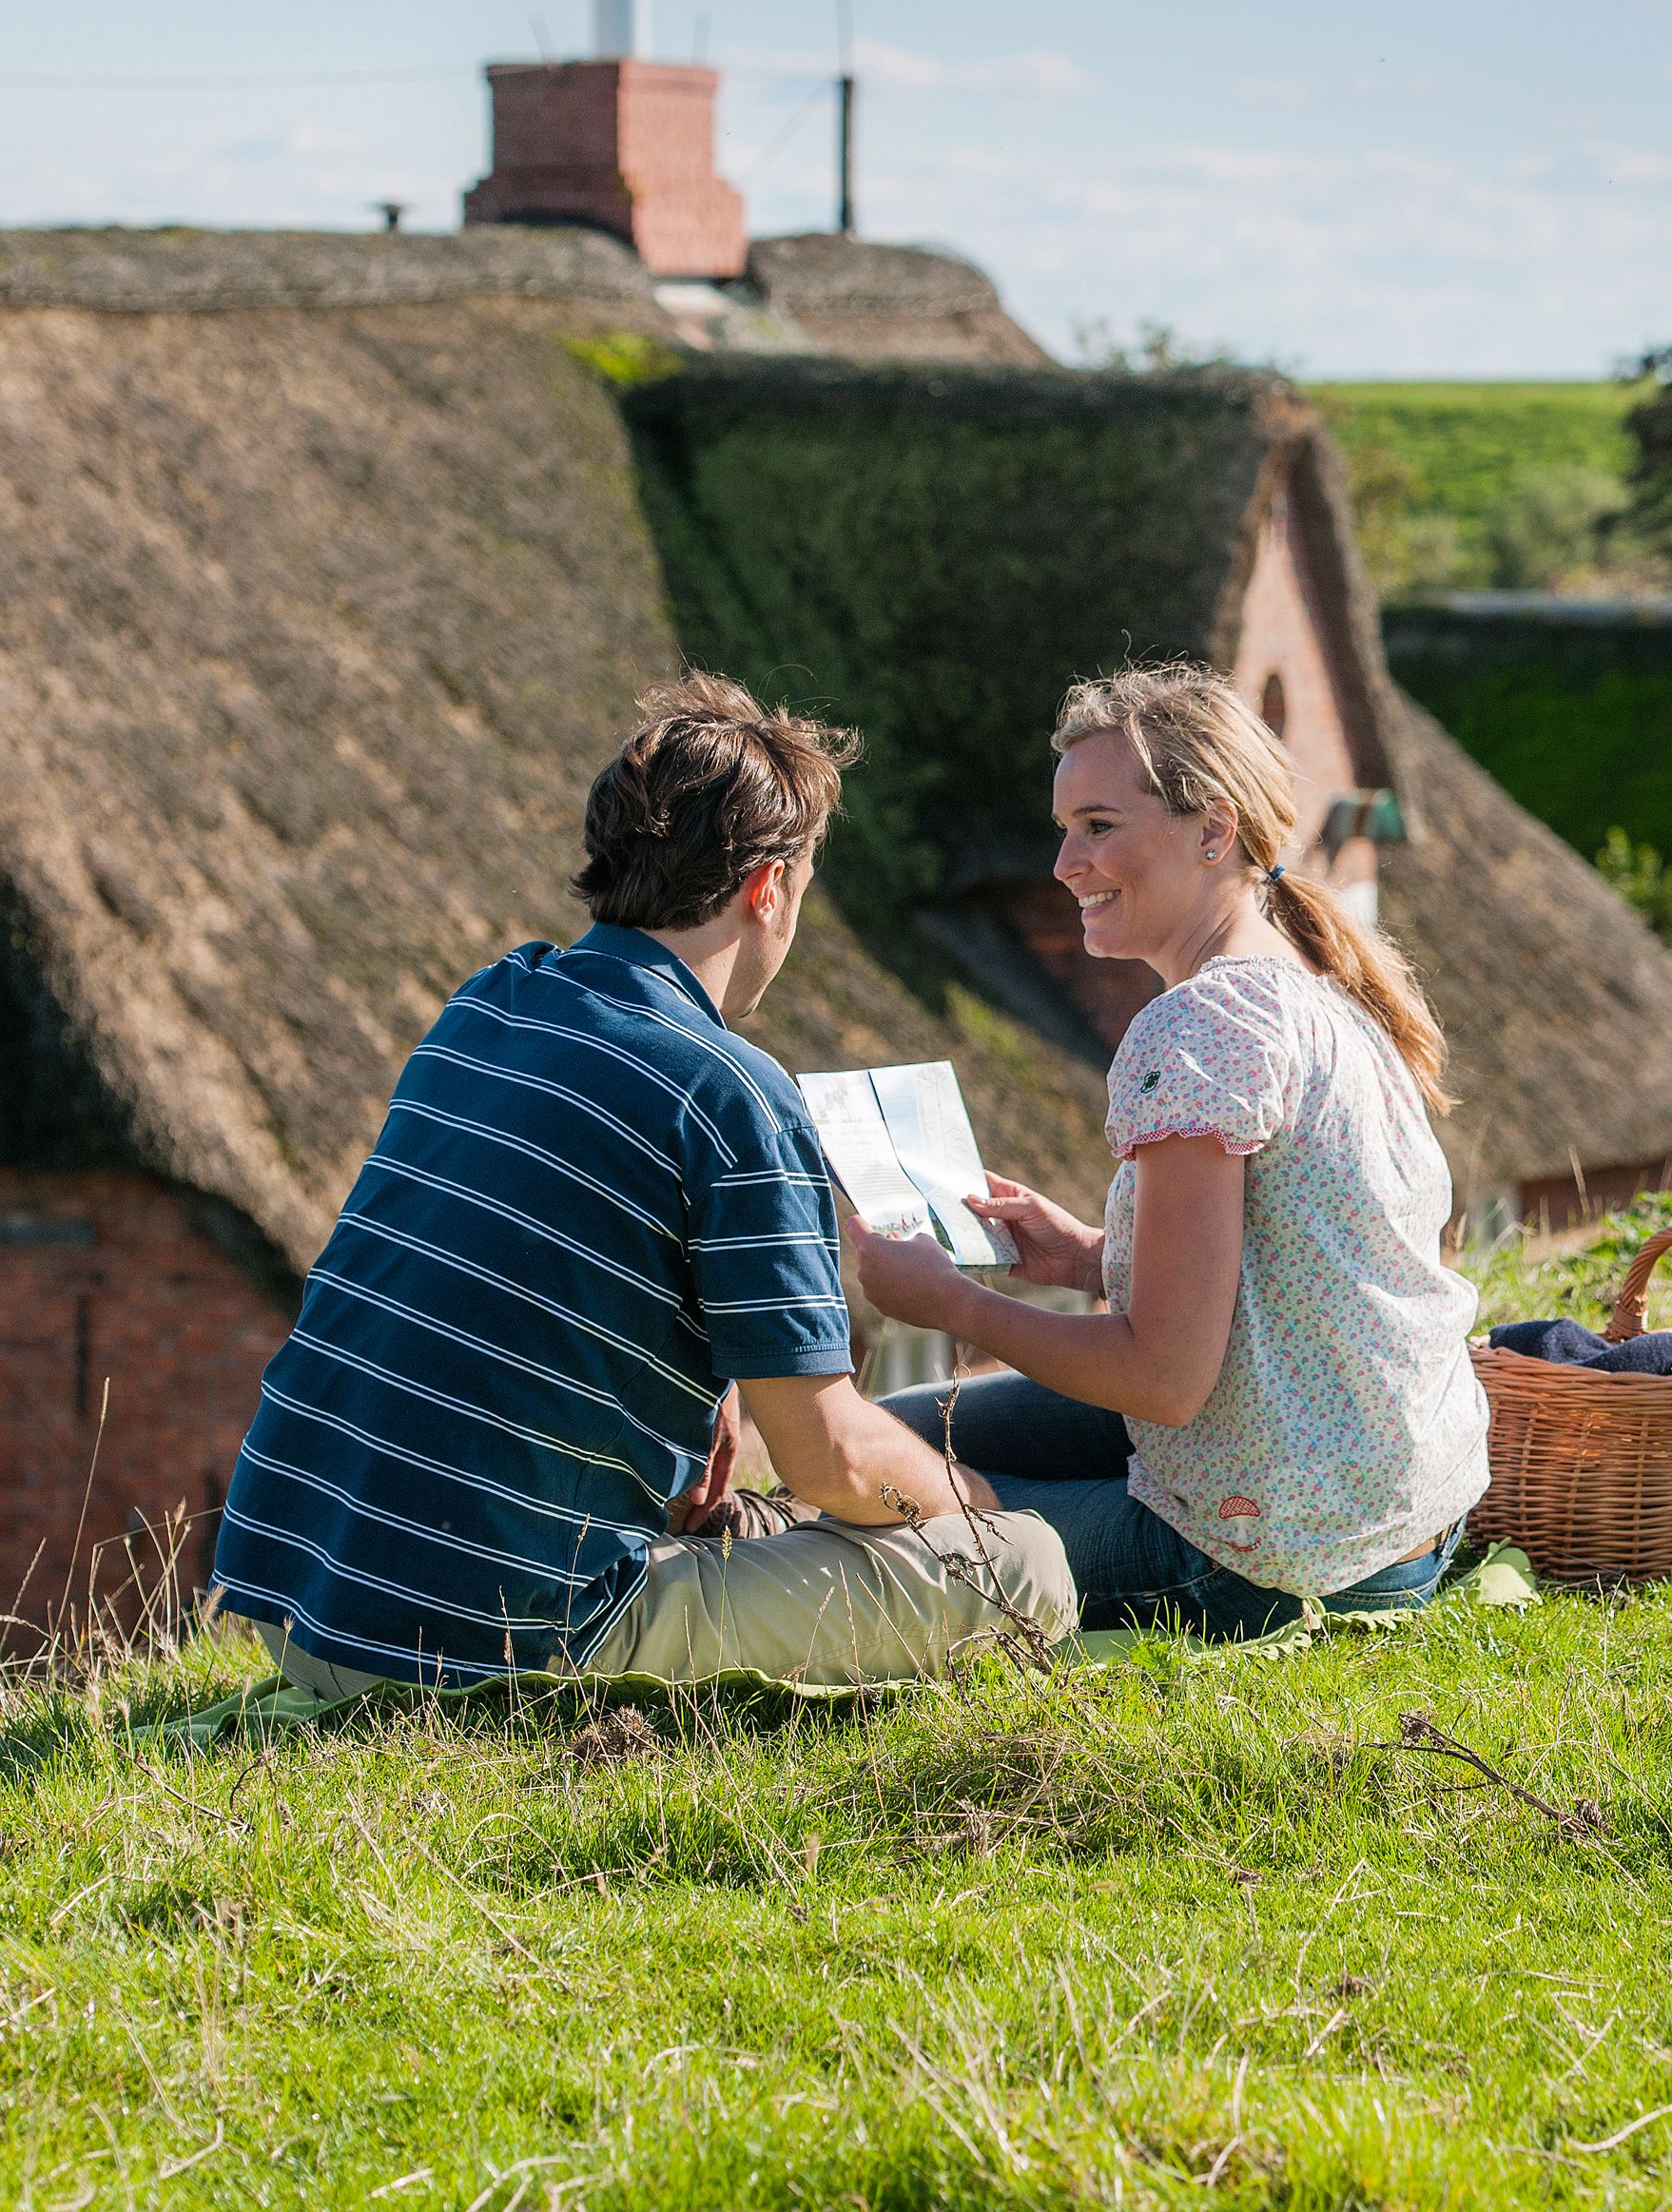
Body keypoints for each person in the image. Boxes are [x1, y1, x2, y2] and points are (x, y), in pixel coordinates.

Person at [209, 672, 1073, 1697]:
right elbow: (826, 1457)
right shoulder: (732, 1090)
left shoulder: (491, 1004)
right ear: (767, 887)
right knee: (1030, 1569)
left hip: (306, 1604)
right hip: (484, 1646)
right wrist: (961, 1496)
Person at [849, 664, 1487, 1640]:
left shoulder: (1202, 1023)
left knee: (866, 1475)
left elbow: (1163, 1379)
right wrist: (1085, 1255)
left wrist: (955, 1303)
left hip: (1264, 1554)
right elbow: (1294, 1267)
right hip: (1399, 1520)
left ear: (1213, 831)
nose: (1066, 862)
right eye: (1064, 828)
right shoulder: (1315, 987)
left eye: (1098, 826)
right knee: (894, 1431)